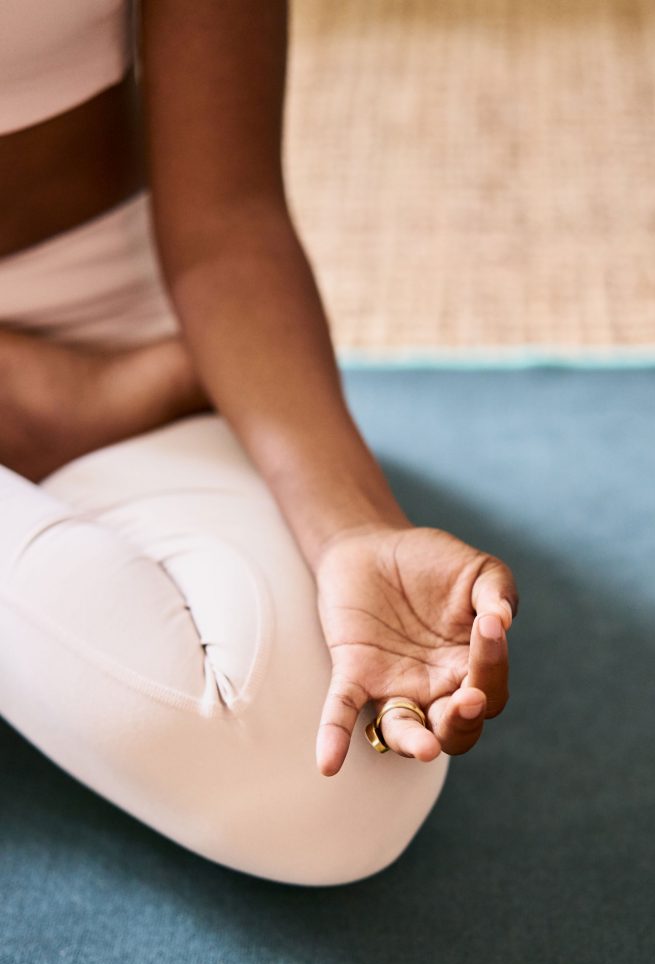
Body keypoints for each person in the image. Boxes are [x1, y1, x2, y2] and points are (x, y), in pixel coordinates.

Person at [0, 1, 518, 886]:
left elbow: (225, 222)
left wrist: (355, 531)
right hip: (131, 381)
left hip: (121, 313)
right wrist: (70, 398)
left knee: (334, 790)